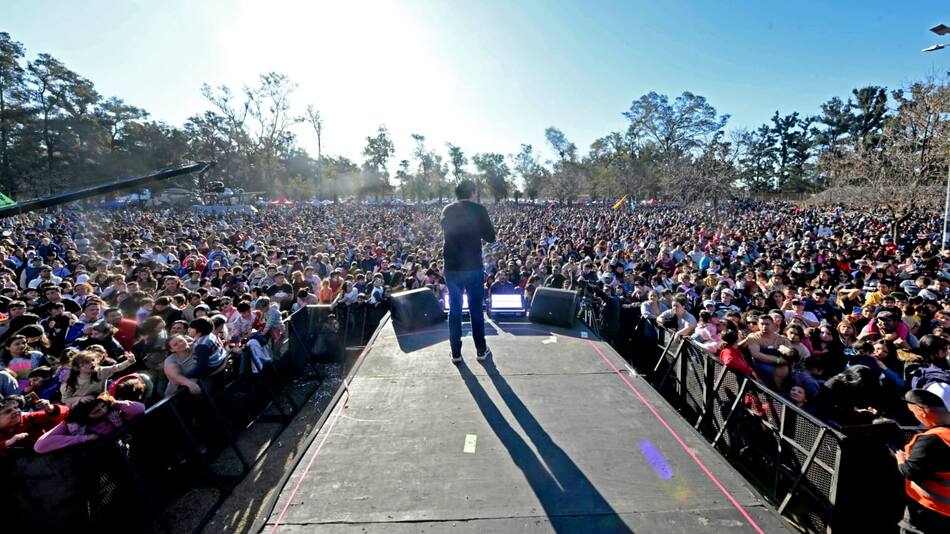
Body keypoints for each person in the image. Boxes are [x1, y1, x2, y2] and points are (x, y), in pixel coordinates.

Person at [440, 179, 495, 363]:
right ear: (472, 192)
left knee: (454, 310)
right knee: (475, 309)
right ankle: (481, 350)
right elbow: (491, 237)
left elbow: (448, 232)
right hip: (472, 266)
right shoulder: (479, 210)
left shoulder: (447, 210)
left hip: (452, 267)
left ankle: (455, 353)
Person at [896, 389, 950, 533]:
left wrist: (900, 459)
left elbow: (911, 471)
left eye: (914, 413)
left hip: (928, 513)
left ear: (922, 411)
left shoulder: (932, 439)